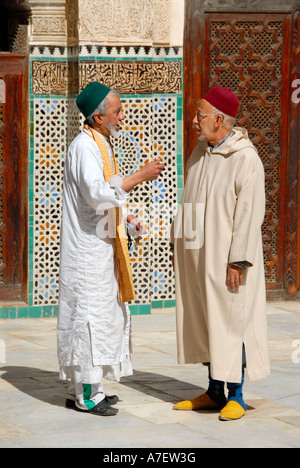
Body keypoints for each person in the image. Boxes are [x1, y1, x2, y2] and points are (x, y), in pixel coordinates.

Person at [57, 82, 164, 416]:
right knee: (89, 319)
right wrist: (140, 175)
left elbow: (108, 189)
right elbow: (97, 193)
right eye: (117, 110)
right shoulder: (84, 147)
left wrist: (128, 219)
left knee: (102, 318)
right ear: (99, 117)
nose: (122, 114)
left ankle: (88, 387)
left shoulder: (99, 143)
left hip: (101, 246)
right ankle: (87, 395)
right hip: (87, 251)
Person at [170, 86, 270, 421]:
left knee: (232, 322)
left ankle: (237, 395)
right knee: (206, 319)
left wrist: (238, 261)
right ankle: (214, 391)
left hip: (229, 260)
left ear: (217, 119)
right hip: (198, 257)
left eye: (199, 114)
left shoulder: (246, 159)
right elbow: (190, 202)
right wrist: (179, 242)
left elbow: (249, 215)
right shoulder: (201, 153)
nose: (194, 121)